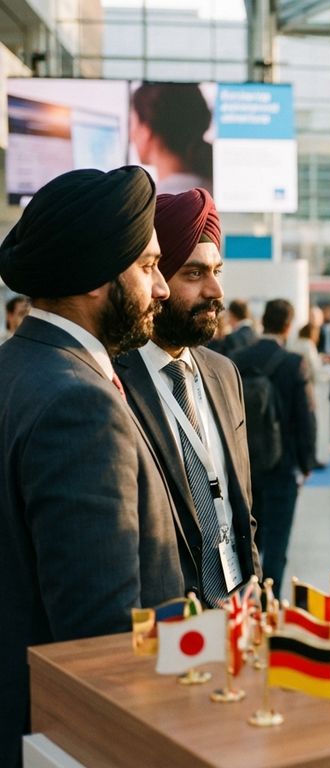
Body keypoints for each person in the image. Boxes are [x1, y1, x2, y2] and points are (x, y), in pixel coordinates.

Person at [0, 166, 184, 765]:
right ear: (101, 278)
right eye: (150, 266)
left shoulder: (17, 368)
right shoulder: (77, 403)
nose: (161, 289)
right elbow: (100, 638)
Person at [115, 188, 261, 607]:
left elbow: (239, 510)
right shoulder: (112, 379)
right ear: (156, 280)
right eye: (194, 274)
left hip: (237, 611)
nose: (215, 290)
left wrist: (254, 593)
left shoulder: (223, 373)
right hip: (163, 624)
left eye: (217, 270)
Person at [230, 299, 317, 588]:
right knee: (277, 545)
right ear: (288, 325)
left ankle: (249, 602)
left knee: (250, 539)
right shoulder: (293, 363)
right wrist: (306, 464)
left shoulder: (237, 359)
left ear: (263, 321)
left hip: (246, 467)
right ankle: (272, 603)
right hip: (283, 463)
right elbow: (305, 419)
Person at [130, 82, 214, 195]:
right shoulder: (213, 190)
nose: (131, 134)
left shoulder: (146, 203)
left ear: (147, 131)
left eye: (133, 124)